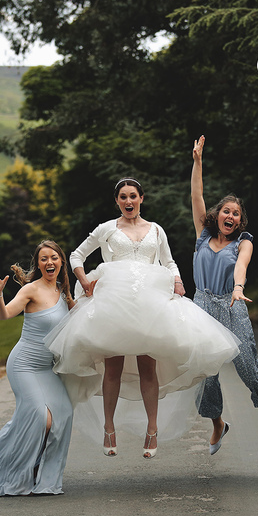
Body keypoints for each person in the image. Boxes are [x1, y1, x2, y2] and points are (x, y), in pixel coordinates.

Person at [45, 177, 240, 459]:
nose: (128, 201)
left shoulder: (156, 230)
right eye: (123, 197)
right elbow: (76, 255)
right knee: (112, 368)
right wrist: (85, 281)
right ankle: (109, 428)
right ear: (117, 201)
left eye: (133, 196)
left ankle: (152, 429)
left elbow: (169, 261)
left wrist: (177, 280)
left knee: (148, 367)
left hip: (150, 305)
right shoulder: (107, 229)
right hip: (115, 305)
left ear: (141, 199)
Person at [190, 136, 258, 455]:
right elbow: (197, 195)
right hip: (201, 306)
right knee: (205, 373)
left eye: (236, 214)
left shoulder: (244, 242)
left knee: (246, 365)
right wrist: (198, 162)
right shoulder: (203, 236)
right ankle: (217, 423)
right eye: (226, 211)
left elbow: (241, 266)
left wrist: (239, 288)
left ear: (240, 221)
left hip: (231, 303)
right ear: (218, 215)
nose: (231, 216)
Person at [0, 240, 75, 496]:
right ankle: (1, 463)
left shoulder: (63, 292)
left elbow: (81, 318)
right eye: (44, 259)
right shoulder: (31, 290)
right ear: (38, 264)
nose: (49, 262)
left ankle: (42, 473)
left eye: (54, 257)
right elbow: (4, 314)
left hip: (46, 368)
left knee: (63, 415)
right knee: (40, 417)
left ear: (61, 262)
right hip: (24, 364)